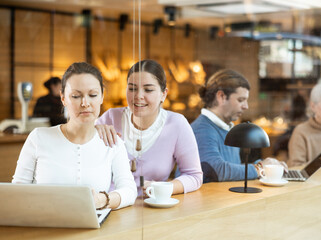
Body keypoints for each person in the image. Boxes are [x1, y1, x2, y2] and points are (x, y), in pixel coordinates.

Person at [12, 62, 137, 210]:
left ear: (102, 96)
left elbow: (129, 190)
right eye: (76, 96)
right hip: (44, 226)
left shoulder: (112, 142)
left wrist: (103, 199)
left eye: (93, 95)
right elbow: (16, 192)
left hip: (95, 229)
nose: (85, 103)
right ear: (63, 98)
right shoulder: (38, 138)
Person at [95, 59, 203, 195]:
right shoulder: (110, 118)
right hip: (112, 205)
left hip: (152, 208)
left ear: (163, 94)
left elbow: (194, 176)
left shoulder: (177, 124)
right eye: (132, 88)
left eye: (148, 90)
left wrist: (164, 187)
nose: (138, 96)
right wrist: (91, 133)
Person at [191, 69, 287, 183]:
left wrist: (266, 165)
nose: (246, 106)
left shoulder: (227, 127)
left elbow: (232, 167)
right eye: (241, 100)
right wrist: (260, 169)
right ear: (221, 96)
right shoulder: (202, 129)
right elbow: (216, 170)